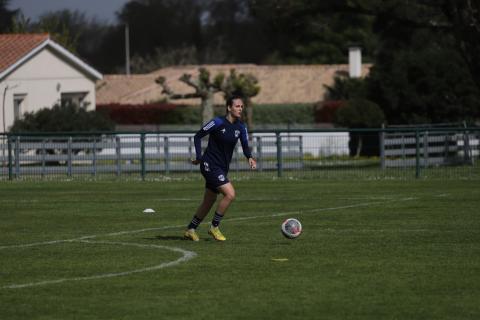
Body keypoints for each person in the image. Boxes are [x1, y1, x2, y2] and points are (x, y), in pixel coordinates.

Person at [184, 95, 256, 241]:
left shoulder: (241, 127)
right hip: (209, 164)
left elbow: (244, 145)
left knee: (209, 200)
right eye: (237, 106)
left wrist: (249, 157)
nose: (240, 109)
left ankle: (191, 229)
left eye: (242, 107)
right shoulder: (217, 122)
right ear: (229, 107)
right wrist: (199, 157)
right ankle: (214, 227)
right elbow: (198, 136)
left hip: (222, 168)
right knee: (230, 194)